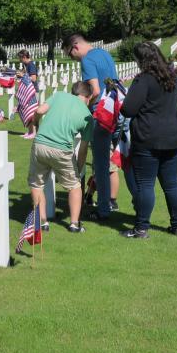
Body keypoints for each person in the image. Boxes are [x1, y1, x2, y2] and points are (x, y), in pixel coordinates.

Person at [120, 42, 177, 239]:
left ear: (141, 60)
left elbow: (128, 109)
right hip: (173, 135)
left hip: (148, 137)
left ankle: (141, 228)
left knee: (145, 184)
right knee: (172, 184)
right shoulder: (171, 77)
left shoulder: (144, 79)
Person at [64, 32, 118, 221]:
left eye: (70, 54)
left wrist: (81, 107)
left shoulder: (87, 61)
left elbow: (94, 90)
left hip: (100, 115)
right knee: (115, 163)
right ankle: (118, 203)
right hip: (115, 111)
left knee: (101, 165)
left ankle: (103, 210)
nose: (73, 59)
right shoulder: (105, 54)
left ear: (76, 46)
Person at [28, 81, 94, 233]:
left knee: (37, 184)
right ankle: (74, 224)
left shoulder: (58, 96)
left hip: (40, 145)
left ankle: (43, 222)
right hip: (62, 150)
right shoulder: (88, 117)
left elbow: (39, 110)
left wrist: (36, 123)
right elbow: (83, 149)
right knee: (74, 186)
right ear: (88, 97)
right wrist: (78, 167)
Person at [17, 49, 39, 139]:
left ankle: (34, 132)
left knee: (33, 113)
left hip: (32, 91)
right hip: (27, 91)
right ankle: (30, 132)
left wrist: (23, 76)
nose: (19, 60)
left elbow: (34, 78)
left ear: (24, 57)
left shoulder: (31, 65)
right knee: (27, 112)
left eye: (20, 58)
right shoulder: (25, 65)